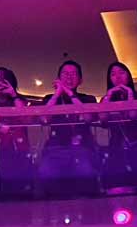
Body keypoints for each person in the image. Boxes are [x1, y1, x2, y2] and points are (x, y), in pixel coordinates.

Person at [36, 60, 99, 197]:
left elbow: (87, 117)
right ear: (58, 78)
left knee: (86, 173)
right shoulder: (50, 98)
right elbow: (44, 119)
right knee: (45, 174)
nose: (69, 77)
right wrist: (58, 93)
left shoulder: (88, 99)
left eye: (73, 74)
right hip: (55, 149)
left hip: (83, 149)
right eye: (65, 73)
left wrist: (70, 93)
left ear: (80, 80)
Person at [0, 67, 33, 198]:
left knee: (20, 193)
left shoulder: (20, 102)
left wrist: (13, 95)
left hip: (18, 153)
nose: (0, 84)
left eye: (4, 80)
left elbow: (26, 119)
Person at [100, 62, 137, 193]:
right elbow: (103, 118)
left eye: (121, 72)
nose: (118, 77)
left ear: (128, 75)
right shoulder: (107, 99)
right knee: (117, 189)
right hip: (116, 147)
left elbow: (133, 115)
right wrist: (109, 95)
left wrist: (129, 93)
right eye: (113, 74)